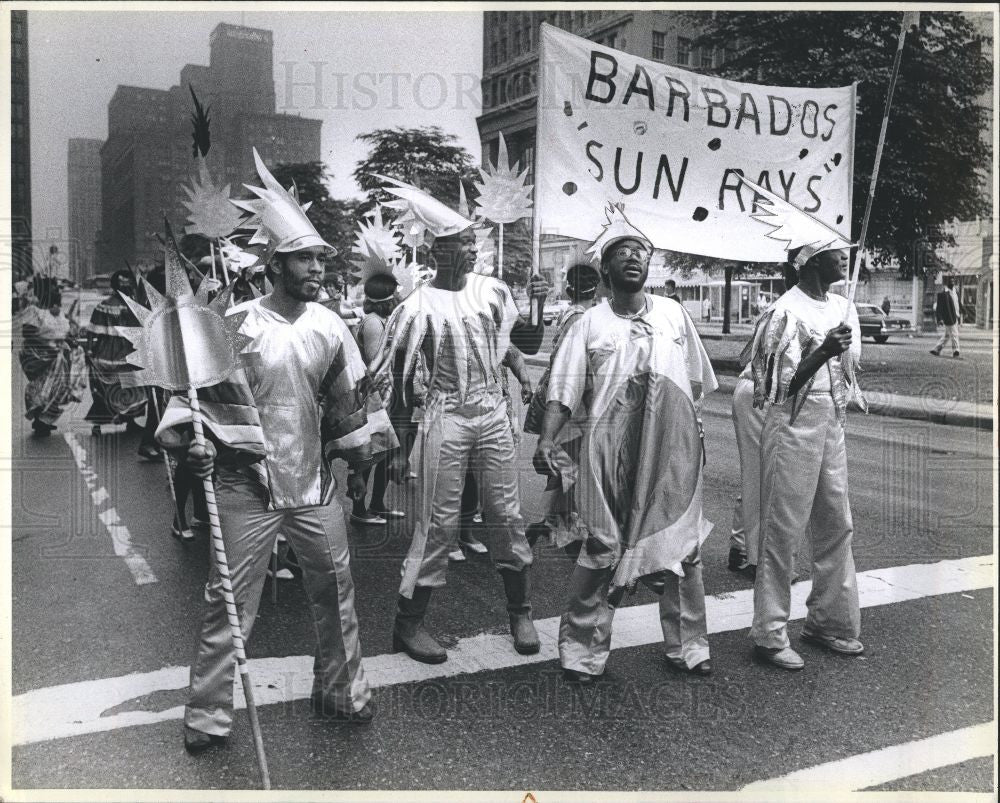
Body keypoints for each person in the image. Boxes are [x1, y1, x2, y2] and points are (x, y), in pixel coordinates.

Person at [157, 149, 396, 753]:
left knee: (337, 593)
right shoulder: (232, 324)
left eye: (320, 257)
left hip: (313, 486)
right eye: (306, 258)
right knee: (228, 606)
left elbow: (346, 406)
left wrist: (364, 448)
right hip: (244, 488)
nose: (318, 267)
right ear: (275, 262)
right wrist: (196, 447)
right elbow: (192, 407)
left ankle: (341, 691)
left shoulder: (332, 325)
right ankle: (209, 717)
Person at [534, 203, 717, 684]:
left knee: (682, 548)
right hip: (606, 457)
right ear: (606, 267)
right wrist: (547, 441)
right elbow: (563, 391)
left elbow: (694, 386)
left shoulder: (676, 315)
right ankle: (582, 651)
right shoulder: (589, 324)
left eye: (641, 251)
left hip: (670, 454)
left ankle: (689, 645)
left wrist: (684, 438)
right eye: (622, 251)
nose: (634, 257)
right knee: (600, 548)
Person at [370, 183, 549, 664]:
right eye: (463, 244)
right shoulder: (413, 308)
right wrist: (397, 449)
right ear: (435, 251)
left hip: (492, 413)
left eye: (474, 242)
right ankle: (408, 627)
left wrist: (535, 305)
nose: (474, 250)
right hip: (444, 416)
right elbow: (403, 388)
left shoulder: (492, 291)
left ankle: (520, 612)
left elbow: (524, 343)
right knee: (438, 524)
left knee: (507, 515)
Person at [747, 244, 864, 671]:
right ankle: (770, 631)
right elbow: (774, 390)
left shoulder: (842, 306)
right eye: (836, 253)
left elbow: (848, 375)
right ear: (812, 261)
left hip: (831, 421)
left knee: (837, 522)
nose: (845, 258)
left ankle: (828, 621)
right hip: (792, 423)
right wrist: (821, 352)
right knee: (783, 530)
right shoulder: (783, 311)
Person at [523, 262, 602, 548]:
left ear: (569, 289)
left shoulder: (569, 314)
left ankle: (549, 523)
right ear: (598, 288)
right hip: (573, 404)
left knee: (564, 468)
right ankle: (558, 527)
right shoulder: (585, 319)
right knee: (569, 467)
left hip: (563, 399)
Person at [351, 273, 405, 525]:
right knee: (370, 452)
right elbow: (374, 362)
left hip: (384, 394)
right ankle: (359, 511)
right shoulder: (373, 323)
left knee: (385, 450)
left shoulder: (382, 320)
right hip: (374, 396)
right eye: (395, 294)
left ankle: (378, 504)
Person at [84, 269, 148, 436]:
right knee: (107, 389)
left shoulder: (135, 306)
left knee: (131, 387)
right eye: (123, 285)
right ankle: (99, 423)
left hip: (127, 353)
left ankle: (130, 420)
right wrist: (89, 350)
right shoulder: (104, 306)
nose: (126, 288)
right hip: (110, 354)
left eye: (128, 285)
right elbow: (92, 331)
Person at [19, 279, 86, 436]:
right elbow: (27, 333)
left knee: (57, 388)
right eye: (53, 302)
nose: (56, 306)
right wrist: (50, 342)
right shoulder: (34, 312)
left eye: (58, 302)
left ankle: (43, 419)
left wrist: (71, 341)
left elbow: (65, 333)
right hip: (40, 356)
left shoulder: (61, 316)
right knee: (45, 387)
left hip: (57, 357)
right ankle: (41, 419)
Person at [930, 276, 961, 358]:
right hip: (949, 317)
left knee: (947, 335)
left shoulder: (956, 292)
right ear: (947, 283)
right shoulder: (943, 294)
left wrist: (962, 312)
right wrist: (939, 318)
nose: (952, 283)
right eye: (951, 282)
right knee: (954, 333)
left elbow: (958, 303)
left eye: (953, 282)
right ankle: (956, 351)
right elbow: (939, 307)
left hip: (956, 316)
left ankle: (936, 349)